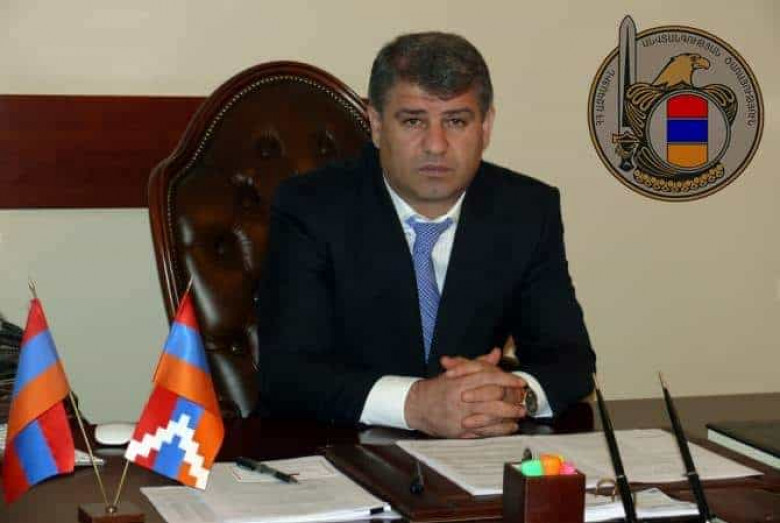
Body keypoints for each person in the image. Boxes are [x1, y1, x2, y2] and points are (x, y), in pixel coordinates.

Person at [256, 32, 595, 438]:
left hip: (476, 453)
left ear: (486, 126)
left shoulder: (526, 210)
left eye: (456, 121)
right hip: (337, 446)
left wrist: (513, 396)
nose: (435, 145)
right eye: (413, 121)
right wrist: (415, 404)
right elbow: (287, 373)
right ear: (376, 124)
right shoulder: (310, 208)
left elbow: (570, 360)